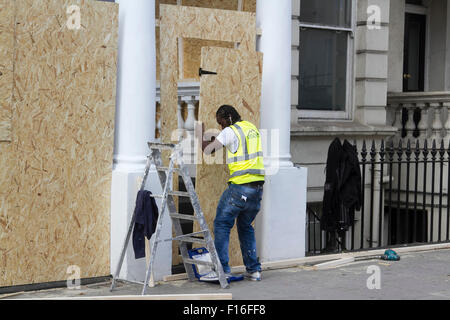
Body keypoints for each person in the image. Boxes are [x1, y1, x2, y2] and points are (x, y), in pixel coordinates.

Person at [196, 105, 265, 281]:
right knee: (245, 227)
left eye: (221, 122)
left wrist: (199, 132)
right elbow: (237, 145)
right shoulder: (251, 128)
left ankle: (223, 270)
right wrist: (217, 137)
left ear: (228, 117)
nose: (221, 127)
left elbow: (208, 150)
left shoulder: (230, 131)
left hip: (239, 187)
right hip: (256, 190)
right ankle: (254, 270)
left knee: (221, 224)